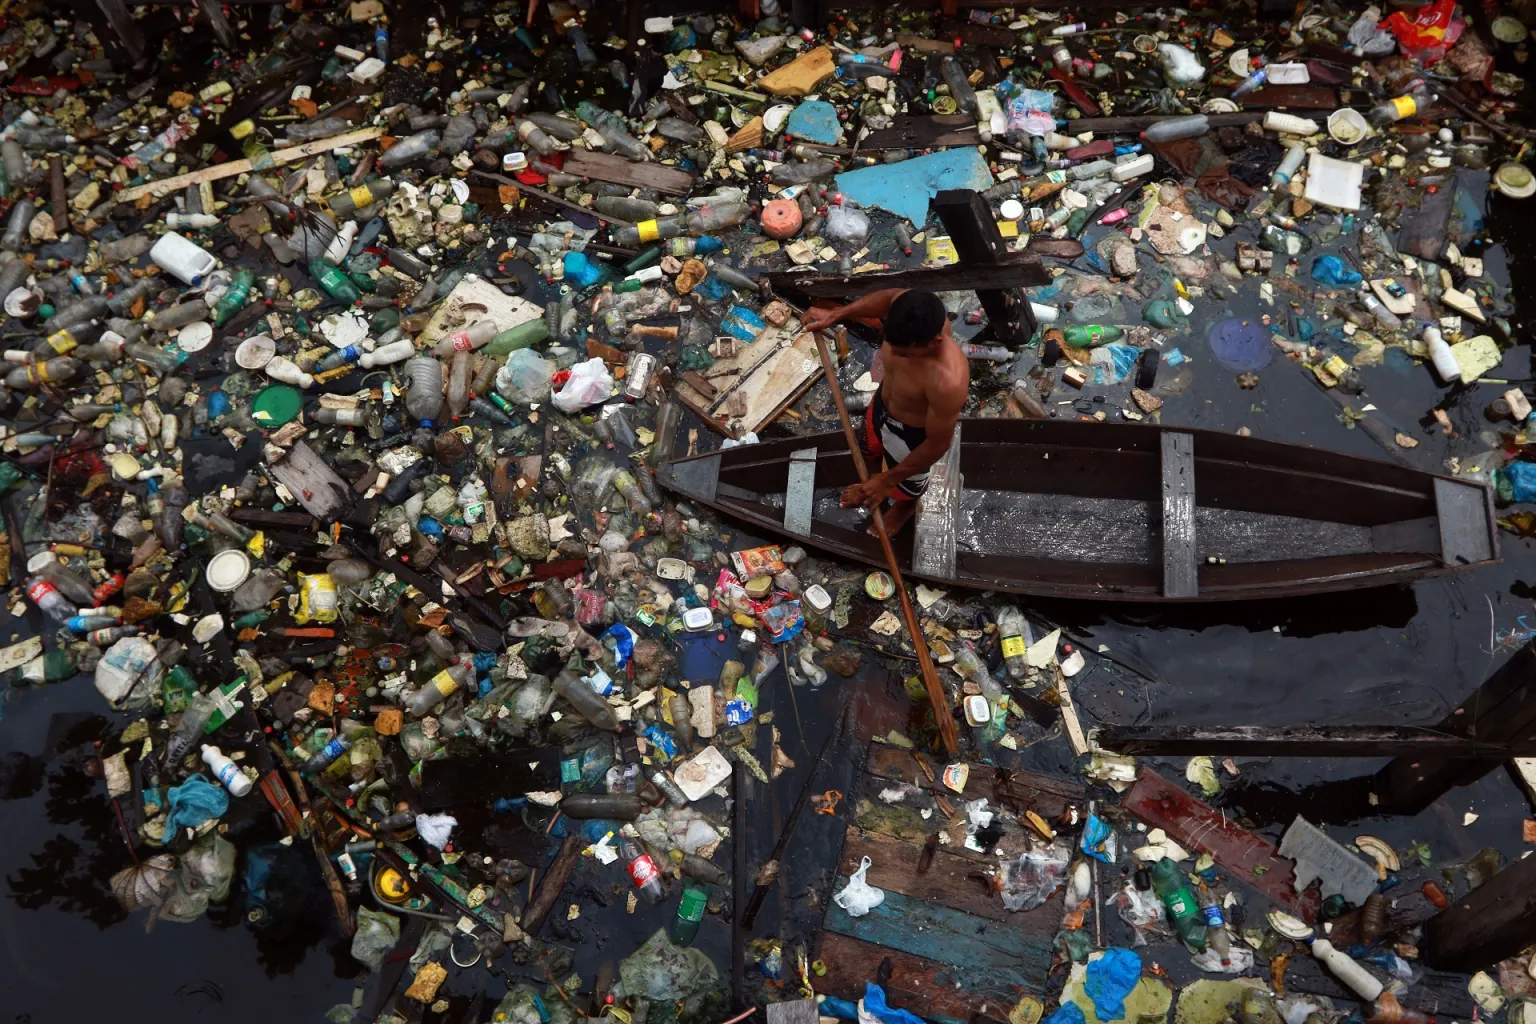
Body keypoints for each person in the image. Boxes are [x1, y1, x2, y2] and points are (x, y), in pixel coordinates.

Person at [801, 289, 968, 536]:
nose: (895, 355)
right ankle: (873, 482)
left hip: (911, 434)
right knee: (869, 448)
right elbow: (889, 298)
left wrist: (887, 481)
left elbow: (936, 445)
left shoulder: (947, 381)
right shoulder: (911, 308)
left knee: (907, 485)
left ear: (935, 342)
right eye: (891, 346)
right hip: (881, 405)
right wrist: (836, 314)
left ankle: (906, 505)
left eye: (905, 353)